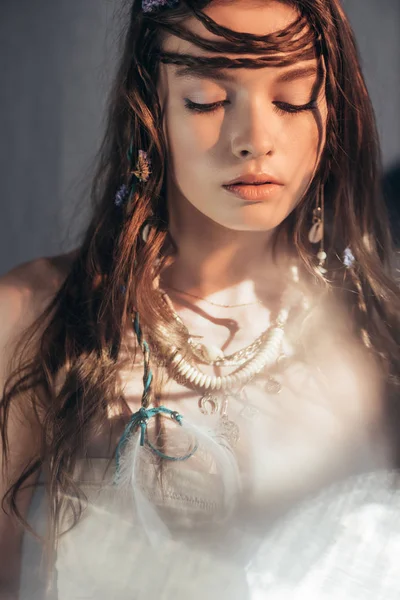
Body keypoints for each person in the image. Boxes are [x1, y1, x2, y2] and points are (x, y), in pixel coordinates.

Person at [1, 0, 400, 598]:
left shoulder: (380, 335)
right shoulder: (33, 315)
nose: (254, 141)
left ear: (333, 109)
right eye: (209, 101)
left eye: (292, 100)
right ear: (151, 109)